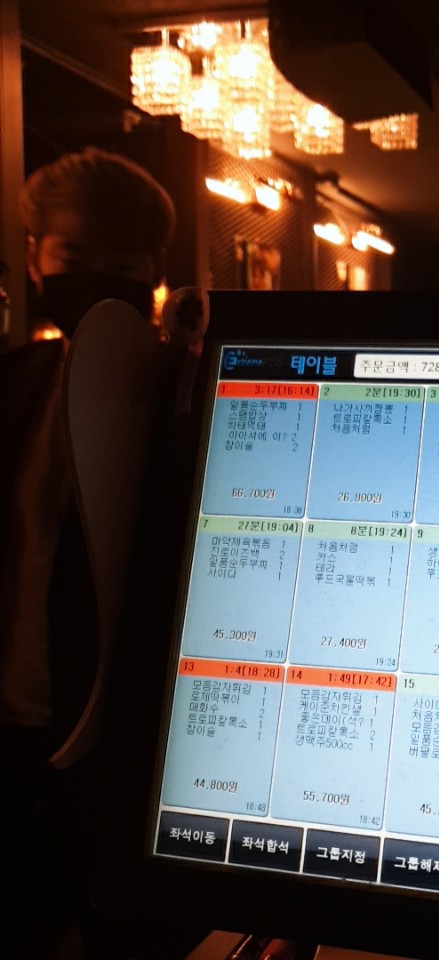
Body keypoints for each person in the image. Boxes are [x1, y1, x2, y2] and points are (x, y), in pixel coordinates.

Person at [0, 147, 199, 958]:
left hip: (130, 736)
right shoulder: (14, 380)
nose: (90, 278)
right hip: (13, 725)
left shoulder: (178, 391)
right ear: (34, 257)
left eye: (119, 264)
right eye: (72, 255)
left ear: (154, 273)